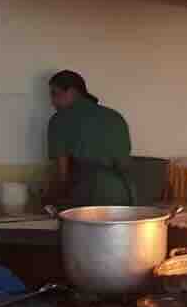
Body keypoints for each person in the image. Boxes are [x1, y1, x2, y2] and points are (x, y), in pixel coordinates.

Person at [46, 70, 135, 207]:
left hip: (87, 195)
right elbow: (125, 162)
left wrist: (53, 199)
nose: (52, 101)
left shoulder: (59, 120)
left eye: (55, 94)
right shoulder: (114, 117)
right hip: (122, 193)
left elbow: (62, 174)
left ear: (71, 92)